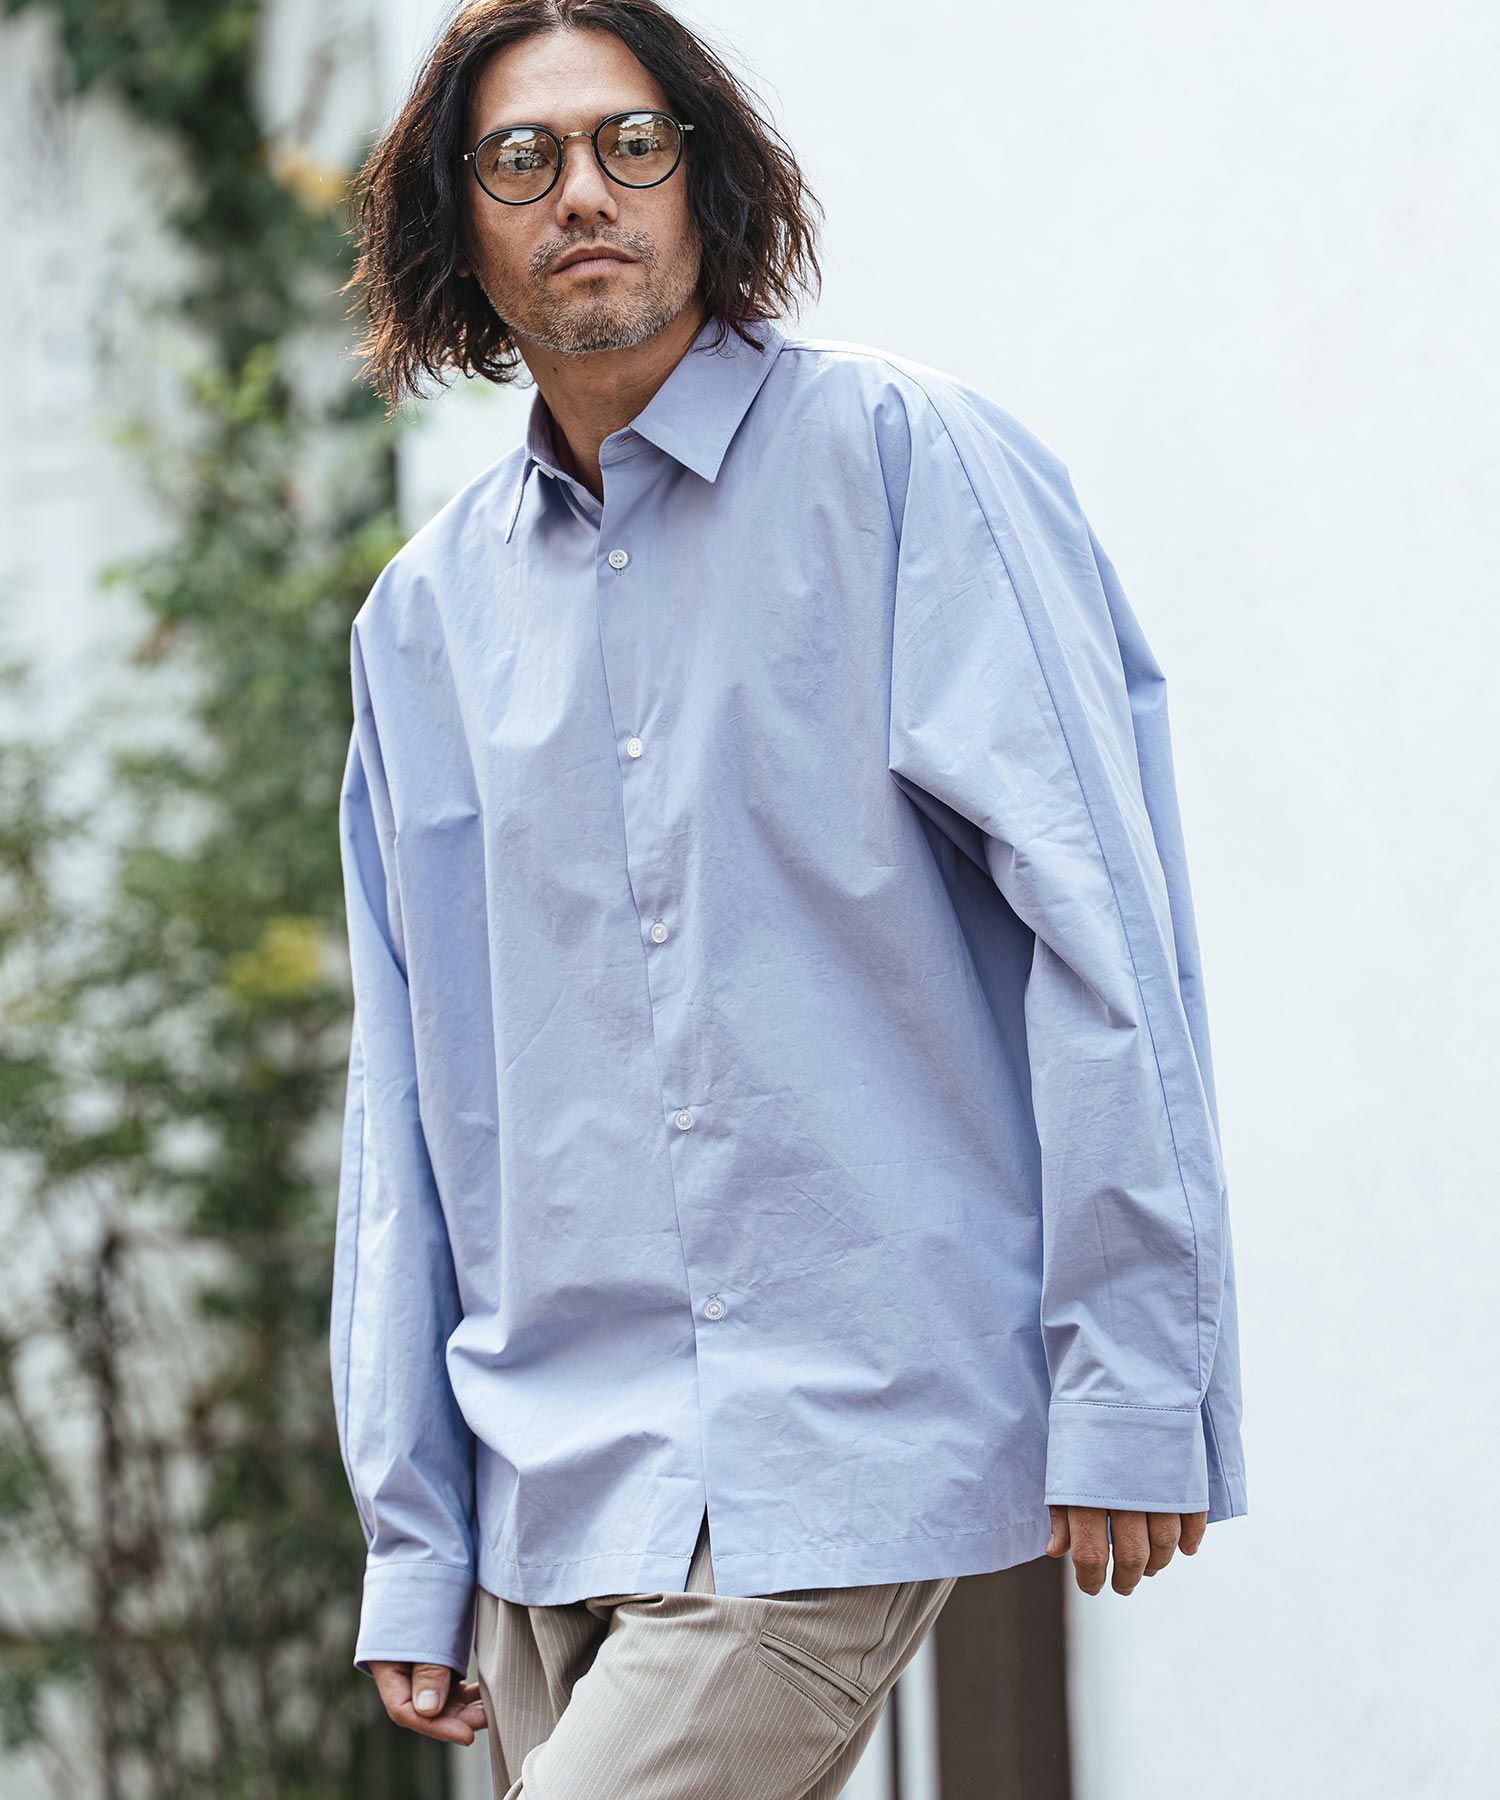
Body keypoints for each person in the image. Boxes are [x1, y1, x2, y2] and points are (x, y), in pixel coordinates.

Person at [331, 2, 1248, 1793]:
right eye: (521, 158)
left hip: (838, 1440)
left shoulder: (907, 465)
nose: (583, 190)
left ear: (705, 178)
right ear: (459, 222)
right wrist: (415, 1536)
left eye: (631, 142)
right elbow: (412, 1097)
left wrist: (1137, 1375)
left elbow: (1101, 930)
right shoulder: (423, 623)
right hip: (543, 1484)